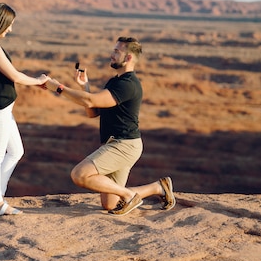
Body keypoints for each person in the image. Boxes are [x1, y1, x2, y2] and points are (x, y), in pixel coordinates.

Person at [44, 36, 175, 216]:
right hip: (118, 144)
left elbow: (90, 101)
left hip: (123, 145)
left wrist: (58, 88)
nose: (112, 55)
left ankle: (129, 196)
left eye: (116, 51)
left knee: (79, 174)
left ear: (128, 58)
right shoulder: (116, 81)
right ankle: (158, 187)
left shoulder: (128, 84)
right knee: (109, 204)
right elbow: (92, 111)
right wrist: (85, 86)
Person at [0, 3, 48, 216]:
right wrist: (38, 80)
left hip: (2, 110)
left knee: (16, 151)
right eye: (9, 25)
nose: (10, 29)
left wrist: (35, 81)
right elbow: (14, 75)